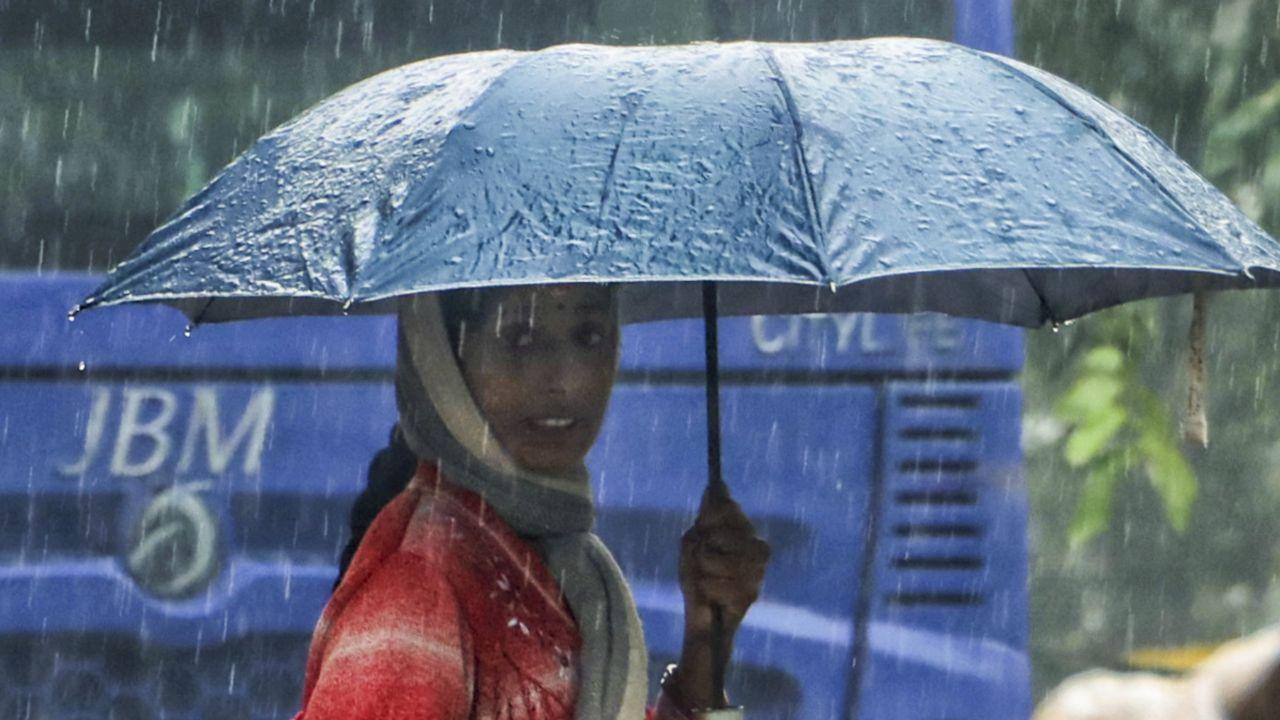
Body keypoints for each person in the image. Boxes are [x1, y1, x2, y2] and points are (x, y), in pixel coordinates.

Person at [292, 283, 772, 720]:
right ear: (445, 362)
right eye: (519, 339)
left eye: (588, 336)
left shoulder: (565, 571)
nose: (565, 380)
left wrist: (708, 642)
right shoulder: (417, 592)